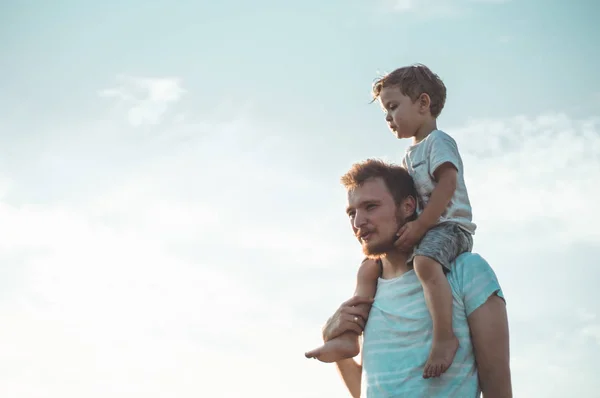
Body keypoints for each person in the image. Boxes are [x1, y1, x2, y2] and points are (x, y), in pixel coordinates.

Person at [306, 64, 475, 378]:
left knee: (424, 261)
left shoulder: (439, 143)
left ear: (423, 103)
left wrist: (421, 225)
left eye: (393, 107)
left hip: (450, 227)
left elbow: (447, 187)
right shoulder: (411, 156)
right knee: (369, 266)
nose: (388, 118)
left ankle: (444, 336)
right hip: (427, 227)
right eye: (385, 110)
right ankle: (347, 340)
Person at [308, 159, 511, 397]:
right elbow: (365, 391)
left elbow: (497, 383)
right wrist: (331, 337)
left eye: (370, 206)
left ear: (407, 206)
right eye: (352, 212)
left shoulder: (466, 270)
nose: (357, 222)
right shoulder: (369, 289)